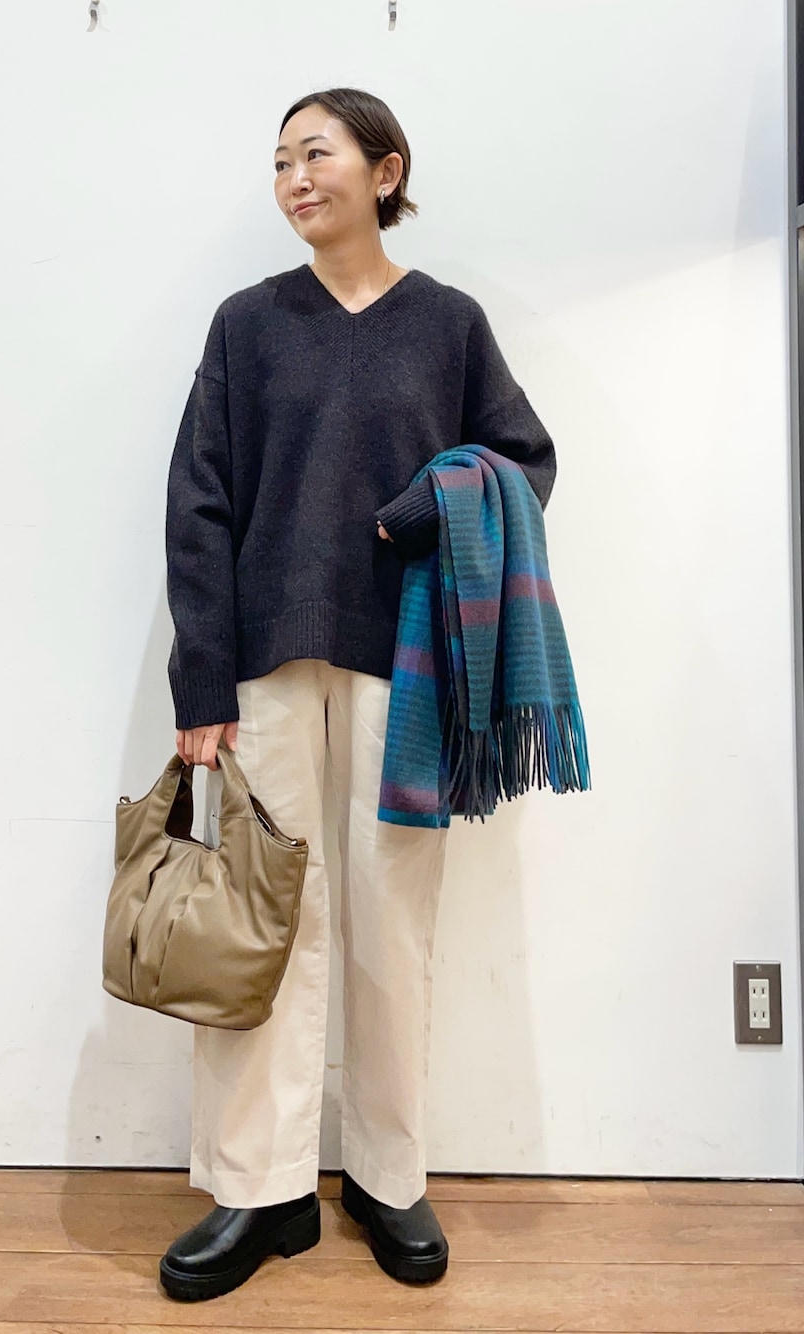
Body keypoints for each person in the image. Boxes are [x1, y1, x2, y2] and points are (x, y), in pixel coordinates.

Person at [159, 87, 555, 1303]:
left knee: (391, 918)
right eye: (279, 159)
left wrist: (424, 507)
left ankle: (387, 1176)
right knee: (265, 918)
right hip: (264, 662)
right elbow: (199, 502)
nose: (294, 176)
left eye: (316, 152)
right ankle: (258, 1185)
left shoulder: (447, 324)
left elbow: (522, 459)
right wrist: (200, 675)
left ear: (385, 172)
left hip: (412, 660)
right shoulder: (247, 324)